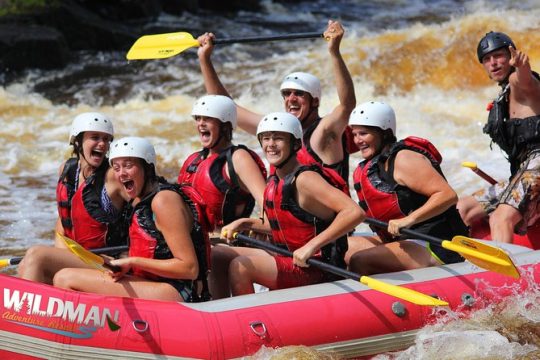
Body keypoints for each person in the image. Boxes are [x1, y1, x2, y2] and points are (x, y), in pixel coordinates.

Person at [197, 20, 356, 187]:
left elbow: (347, 105)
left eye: (299, 94)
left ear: (315, 101)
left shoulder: (323, 132)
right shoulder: (276, 128)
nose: (291, 99)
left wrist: (334, 52)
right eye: (286, 94)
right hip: (289, 212)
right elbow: (224, 106)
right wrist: (204, 59)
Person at [221, 112, 364, 295]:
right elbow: (287, 225)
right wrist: (245, 223)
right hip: (290, 258)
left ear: (295, 144)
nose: (270, 144)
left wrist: (312, 246)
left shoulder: (305, 179)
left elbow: (354, 212)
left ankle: (247, 320)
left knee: (240, 266)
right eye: (265, 138)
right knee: (219, 255)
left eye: (278, 138)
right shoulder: (275, 181)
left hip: (316, 267)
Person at [54, 137, 210, 302]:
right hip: (154, 283)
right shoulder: (141, 199)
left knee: (65, 278)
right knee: (68, 274)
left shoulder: (163, 201)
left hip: (180, 291)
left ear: (147, 167)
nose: (121, 173)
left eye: (128, 166)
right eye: (116, 167)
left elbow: (189, 268)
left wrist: (133, 262)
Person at [346, 101, 467, 275]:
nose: (358, 140)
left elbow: (447, 195)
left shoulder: (404, 158)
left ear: (384, 132)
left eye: (363, 133)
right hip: (405, 240)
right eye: (355, 134)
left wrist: (409, 220)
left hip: (436, 243)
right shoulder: (375, 164)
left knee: (360, 260)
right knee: (344, 247)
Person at [18, 112, 128, 284]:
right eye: (95, 137)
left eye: (106, 139)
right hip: (80, 256)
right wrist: (64, 255)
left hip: (108, 260)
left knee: (36, 255)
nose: (102, 144)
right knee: (25, 265)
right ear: (77, 141)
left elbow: (141, 211)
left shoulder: (112, 176)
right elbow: (63, 222)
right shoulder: (67, 171)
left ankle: (21, 310)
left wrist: (127, 256)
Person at [177, 94, 268, 298]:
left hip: (228, 245)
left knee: (213, 255)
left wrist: (254, 225)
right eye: (197, 118)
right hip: (196, 244)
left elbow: (268, 205)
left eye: (207, 119)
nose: (200, 124)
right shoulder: (194, 160)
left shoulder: (238, 158)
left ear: (226, 125)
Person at [457, 31, 540, 244]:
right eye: (486, 59)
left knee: (500, 218)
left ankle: (505, 276)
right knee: (463, 208)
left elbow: (526, 81)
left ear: (510, 56)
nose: (493, 63)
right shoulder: (503, 96)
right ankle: (451, 261)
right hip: (523, 173)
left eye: (499, 56)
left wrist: (522, 67)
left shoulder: (518, 82)